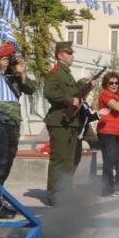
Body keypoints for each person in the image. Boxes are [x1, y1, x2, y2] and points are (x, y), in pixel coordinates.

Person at [43, 41, 92, 206]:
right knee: (59, 158)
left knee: (69, 160)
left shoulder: (67, 74)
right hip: (59, 121)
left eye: (72, 52)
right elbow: (49, 93)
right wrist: (70, 99)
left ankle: (64, 191)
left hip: (71, 123)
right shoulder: (55, 73)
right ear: (60, 55)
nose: (72, 55)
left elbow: (75, 96)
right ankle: (54, 194)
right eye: (69, 53)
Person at [0, 42, 36, 218]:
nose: (14, 61)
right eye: (11, 58)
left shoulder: (16, 76)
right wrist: (1, 70)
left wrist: (22, 74)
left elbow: (31, 89)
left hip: (13, 123)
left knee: (7, 163)